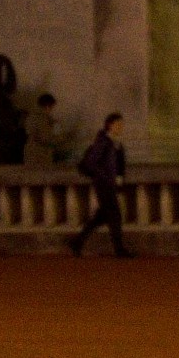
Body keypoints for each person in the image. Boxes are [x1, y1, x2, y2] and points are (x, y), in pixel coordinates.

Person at [70, 112, 131, 258]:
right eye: (118, 124)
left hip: (108, 184)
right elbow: (91, 163)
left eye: (121, 124)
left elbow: (118, 166)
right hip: (104, 185)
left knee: (102, 216)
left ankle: (77, 242)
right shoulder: (104, 142)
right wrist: (106, 177)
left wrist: (118, 179)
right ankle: (119, 250)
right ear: (110, 125)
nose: (121, 127)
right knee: (114, 215)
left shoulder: (115, 142)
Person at [23, 91, 62, 165]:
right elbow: (45, 137)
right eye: (51, 107)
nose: (51, 110)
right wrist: (58, 136)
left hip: (30, 151)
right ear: (47, 106)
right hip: (41, 153)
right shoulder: (43, 119)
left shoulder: (31, 117)